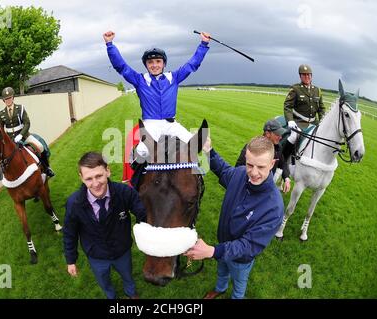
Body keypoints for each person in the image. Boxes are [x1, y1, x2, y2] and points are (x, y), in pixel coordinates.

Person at [184, 136, 284, 299]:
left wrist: (212, 250)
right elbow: (223, 171)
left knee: (239, 284)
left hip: (240, 260)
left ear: (272, 164)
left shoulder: (274, 207)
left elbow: (249, 245)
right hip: (222, 245)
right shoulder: (240, 174)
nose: (253, 172)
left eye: (261, 167)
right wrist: (209, 152)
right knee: (221, 271)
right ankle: (220, 288)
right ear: (245, 158)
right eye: (250, 165)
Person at [103, 30, 211, 163]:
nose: (154, 65)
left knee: (195, 145)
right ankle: (136, 179)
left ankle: (198, 179)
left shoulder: (174, 77)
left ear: (164, 64)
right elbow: (121, 66)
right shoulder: (139, 79)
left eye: (158, 61)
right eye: (150, 62)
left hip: (172, 124)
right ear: (146, 65)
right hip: (151, 125)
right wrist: (110, 45)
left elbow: (192, 64)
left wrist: (203, 44)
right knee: (140, 154)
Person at [63, 152, 146, 299]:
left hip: (122, 251)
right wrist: (71, 260)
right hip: (96, 256)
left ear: (107, 171)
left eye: (99, 176)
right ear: (81, 178)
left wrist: (154, 234)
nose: (95, 183)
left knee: (128, 275)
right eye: (89, 178)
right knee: (104, 282)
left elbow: (143, 214)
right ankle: (111, 296)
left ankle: (131, 292)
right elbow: (70, 233)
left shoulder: (124, 192)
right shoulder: (74, 203)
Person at [0, 87, 55, 177]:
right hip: (11, 140)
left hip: (24, 136)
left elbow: (27, 123)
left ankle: (47, 168)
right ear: (3, 100)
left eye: (9, 98)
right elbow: (0, 129)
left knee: (40, 147)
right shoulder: (1, 114)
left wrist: (21, 135)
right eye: (6, 99)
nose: (8, 100)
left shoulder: (20, 108)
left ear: (13, 98)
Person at [235, 119, 291, 193]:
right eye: (277, 134)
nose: (280, 137)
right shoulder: (253, 147)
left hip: (265, 188)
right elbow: (239, 167)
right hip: (250, 187)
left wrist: (286, 178)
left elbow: (282, 163)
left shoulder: (278, 147)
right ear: (267, 134)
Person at [282, 64, 325, 159]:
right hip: (299, 122)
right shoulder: (295, 89)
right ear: (300, 76)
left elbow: (321, 108)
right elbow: (287, 106)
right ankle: (283, 161)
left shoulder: (317, 90)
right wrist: (290, 120)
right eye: (304, 75)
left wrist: (323, 121)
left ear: (311, 76)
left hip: (314, 122)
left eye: (308, 75)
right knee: (294, 136)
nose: (307, 77)